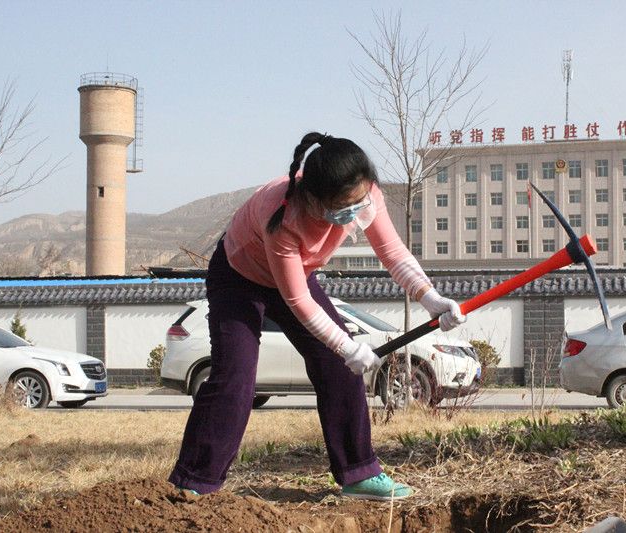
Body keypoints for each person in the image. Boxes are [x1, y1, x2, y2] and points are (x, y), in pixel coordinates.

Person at [168, 132, 465, 500]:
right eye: (342, 206)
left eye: (359, 202)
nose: (353, 212)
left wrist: (430, 298)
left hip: (297, 276)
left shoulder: (365, 192)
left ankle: (359, 474)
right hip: (239, 280)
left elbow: (392, 252)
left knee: (338, 367)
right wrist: (348, 347)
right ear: (313, 198)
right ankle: (194, 482)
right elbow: (298, 301)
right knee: (235, 378)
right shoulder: (281, 215)